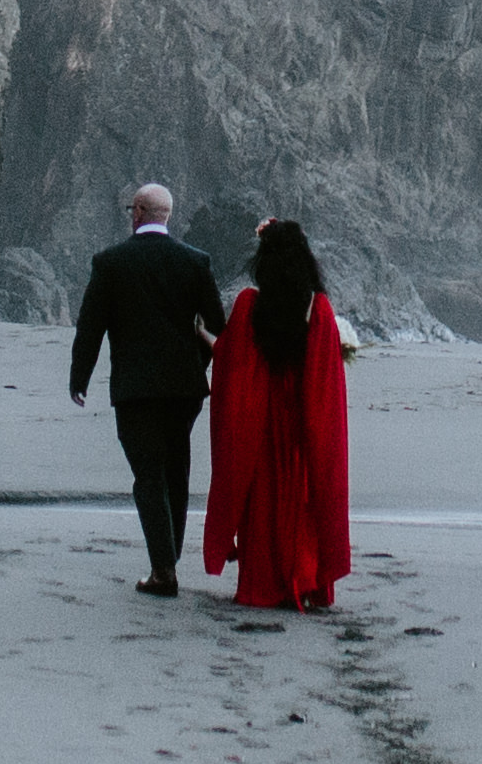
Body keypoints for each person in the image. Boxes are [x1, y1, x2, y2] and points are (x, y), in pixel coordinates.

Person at [67, 186, 223, 597]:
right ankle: (168, 558)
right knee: (176, 471)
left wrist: (79, 378)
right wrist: (200, 364)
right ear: (167, 216)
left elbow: (91, 328)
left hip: (136, 388)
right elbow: (218, 324)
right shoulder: (195, 261)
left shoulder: (111, 263)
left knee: (148, 476)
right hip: (185, 388)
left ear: (137, 213)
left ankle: (163, 570)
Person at [202, 218, 352, 611]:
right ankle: (301, 579)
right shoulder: (317, 309)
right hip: (301, 423)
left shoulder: (250, 304)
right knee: (301, 501)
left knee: (261, 502)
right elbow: (323, 380)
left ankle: (263, 583)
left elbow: (232, 363)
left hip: (261, 422)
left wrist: (205, 338)